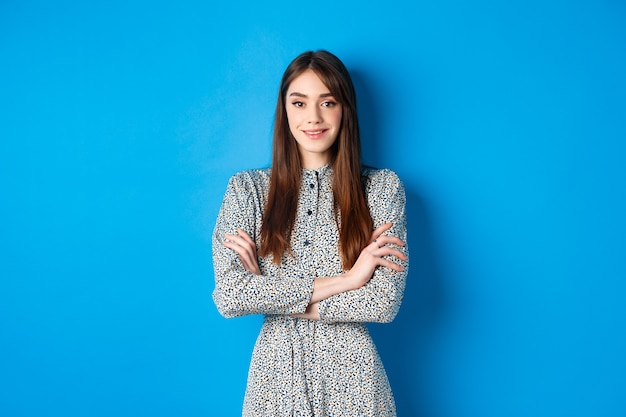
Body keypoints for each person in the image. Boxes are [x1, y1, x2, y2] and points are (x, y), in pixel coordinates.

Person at [212, 50, 409, 417]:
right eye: (299, 103)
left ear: (344, 109)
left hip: (355, 385)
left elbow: (382, 304)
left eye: (327, 102)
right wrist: (349, 279)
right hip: (274, 386)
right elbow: (230, 297)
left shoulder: (381, 189)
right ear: (284, 110)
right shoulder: (247, 191)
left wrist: (268, 292)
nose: (313, 117)